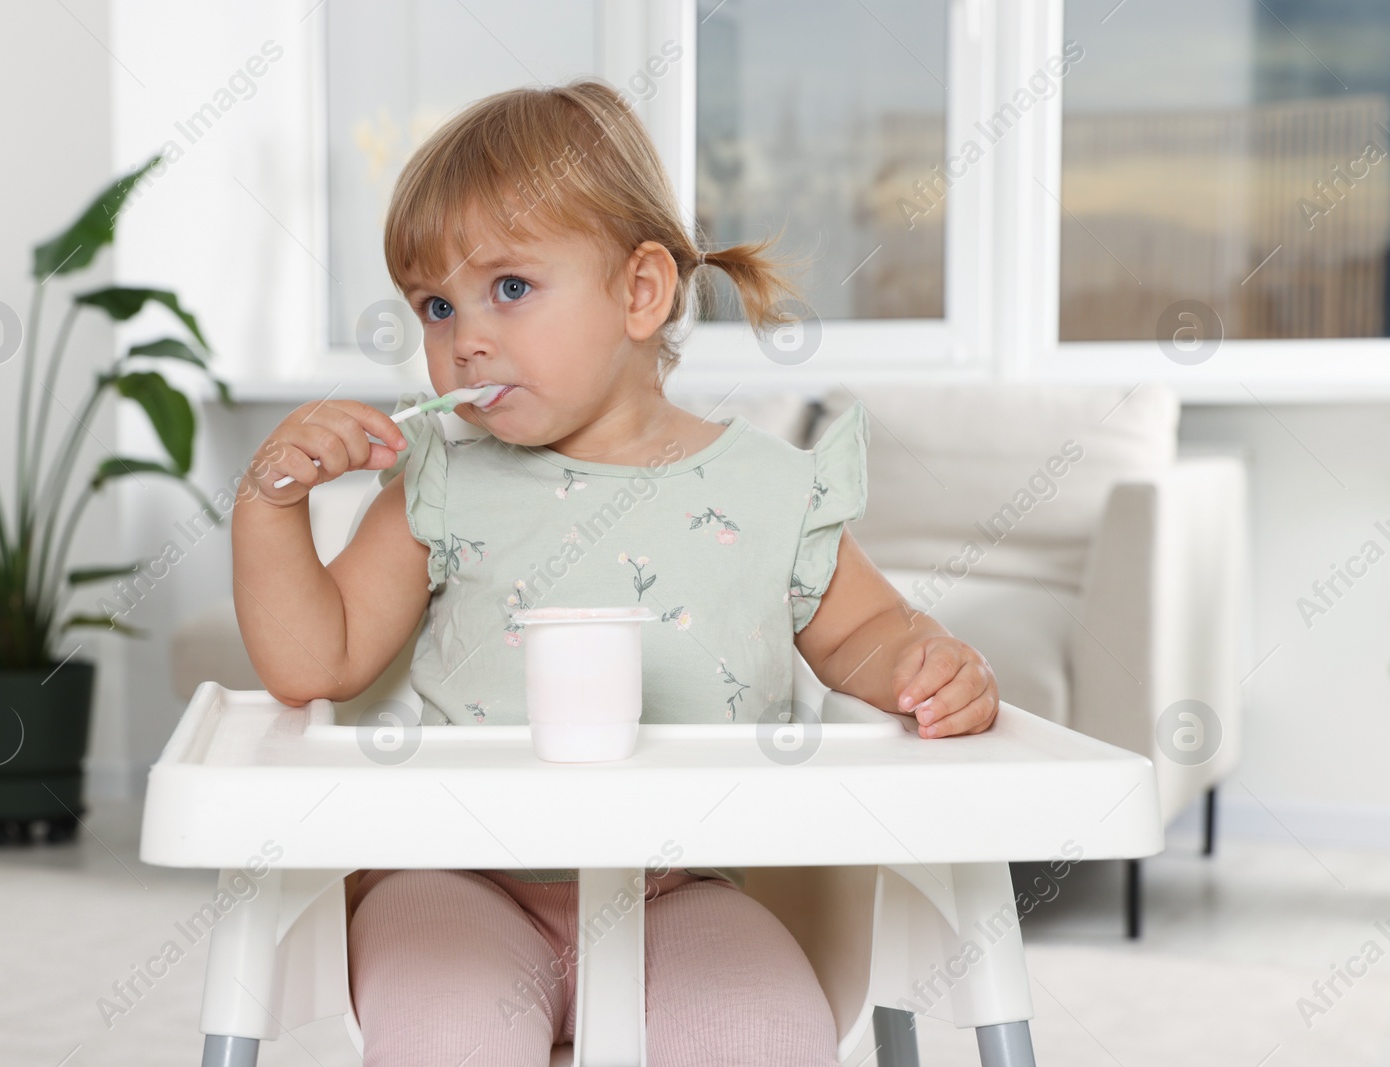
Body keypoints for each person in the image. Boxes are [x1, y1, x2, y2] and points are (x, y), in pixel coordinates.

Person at [232, 76, 998, 1067]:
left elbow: (863, 633)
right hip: (459, 878)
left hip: (680, 888)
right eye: (434, 304)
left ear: (639, 292)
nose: (464, 339)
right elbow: (314, 659)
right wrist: (271, 504)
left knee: (759, 1032)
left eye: (508, 287)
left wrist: (927, 665)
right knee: (445, 1030)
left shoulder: (771, 488)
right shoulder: (440, 480)